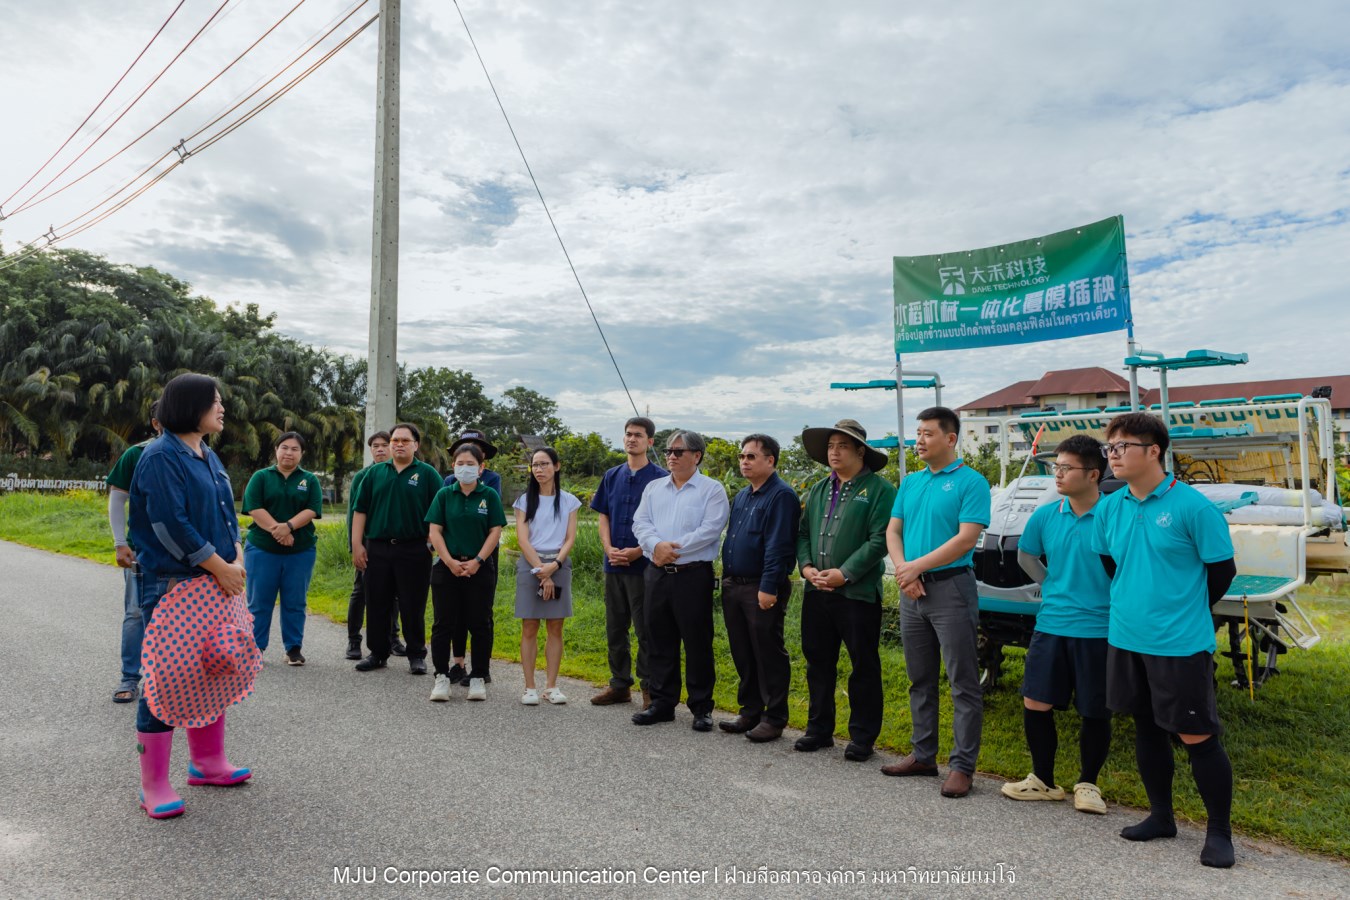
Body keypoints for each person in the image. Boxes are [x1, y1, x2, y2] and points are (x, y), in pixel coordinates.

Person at [1092, 412, 1237, 868]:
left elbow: (1222, 572)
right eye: (1109, 448)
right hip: (1126, 637)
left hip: (1178, 642)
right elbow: (1109, 564)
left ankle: (1219, 832)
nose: (1113, 455)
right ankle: (1161, 816)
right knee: (1145, 726)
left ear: (1154, 450)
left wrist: (1183, 609)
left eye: (1122, 447)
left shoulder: (1193, 507)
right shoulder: (1109, 506)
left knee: (1197, 736)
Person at [126, 373, 251, 819]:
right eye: (214, 401)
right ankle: (153, 784)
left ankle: (207, 763)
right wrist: (219, 566)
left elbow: (227, 515)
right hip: (173, 581)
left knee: (214, 668)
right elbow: (169, 524)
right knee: (166, 678)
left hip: (216, 582)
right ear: (189, 405)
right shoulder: (160, 456)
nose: (222, 408)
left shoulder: (209, 456)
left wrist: (235, 556)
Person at [883, 406, 990, 797]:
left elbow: (966, 539)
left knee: (962, 681)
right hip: (911, 590)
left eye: (928, 433)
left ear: (950, 438)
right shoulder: (910, 482)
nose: (919, 440)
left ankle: (962, 766)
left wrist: (915, 569)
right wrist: (903, 570)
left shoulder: (971, 482)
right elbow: (894, 531)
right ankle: (923, 755)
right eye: (918, 433)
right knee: (920, 678)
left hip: (950, 588)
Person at [1003, 434, 1113, 814]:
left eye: (1066, 468)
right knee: (1036, 701)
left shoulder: (1115, 514)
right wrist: (1049, 582)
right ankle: (1043, 780)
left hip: (1100, 628)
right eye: (1056, 467)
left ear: (1093, 474)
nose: (1058, 474)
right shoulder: (1048, 514)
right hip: (1052, 624)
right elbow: (1026, 554)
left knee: (1094, 709)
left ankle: (1088, 784)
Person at [794, 419, 896, 762]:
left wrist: (845, 573)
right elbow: (804, 533)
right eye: (830, 446)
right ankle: (819, 729)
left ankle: (863, 737)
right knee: (818, 662)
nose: (833, 452)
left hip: (857, 595)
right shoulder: (819, 489)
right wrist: (807, 568)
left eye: (842, 446)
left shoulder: (880, 490)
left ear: (860, 451)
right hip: (817, 592)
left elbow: (880, 539)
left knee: (863, 664)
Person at [631, 430, 730, 731]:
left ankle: (701, 707)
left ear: (696, 456)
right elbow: (641, 522)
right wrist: (655, 546)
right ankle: (662, 703)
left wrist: (669, 549)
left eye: (679, 451)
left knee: (697, 641)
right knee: (658, 638)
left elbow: (710, 530)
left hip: (692, 575)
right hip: (656, 574)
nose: (671, 456)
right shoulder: (654, 488)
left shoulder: (712, 490)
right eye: (669, 451)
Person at [718, 434, 800, 743]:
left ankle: (774, 716)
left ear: (770, 461)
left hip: (761, 588)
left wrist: (768, 587)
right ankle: (750, 710)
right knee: (743, 650)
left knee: (768, 652)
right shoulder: (742, 495)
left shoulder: (781, 496)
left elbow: (779, 547)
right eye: (742, 456)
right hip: (734, 585)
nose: (744, 461)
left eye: (751, 456)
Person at [350, 422, 441, 675]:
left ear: (416, 445)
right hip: (377, 548)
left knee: (413, 604)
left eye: (405, 440)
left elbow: (439, 513)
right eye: (395, 441)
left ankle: (416, 654)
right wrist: (357, 545)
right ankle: (378, 653)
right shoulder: (374, 473)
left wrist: (433, 542)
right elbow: (360, 511)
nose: (399, 444)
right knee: (377, 601)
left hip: (414, 549)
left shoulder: (427, 474)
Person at [589, 416, 667, 707]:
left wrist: (638, 550)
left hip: (644, 565)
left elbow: (662, 522)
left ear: (650, 441)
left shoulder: (660, 478)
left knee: (645, 628)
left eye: (638, 435)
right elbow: (603, 515)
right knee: (615, 627)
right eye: (628, 434)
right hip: (613, 564)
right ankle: (619, 685)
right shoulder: (612, 475)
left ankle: (649, 687)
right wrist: (608, 547)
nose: (631, 439)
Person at [426, 442, 506, 702]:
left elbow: (495, 530)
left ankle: (479, 677)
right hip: (447, 568)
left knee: (479, 624)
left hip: (479, 569)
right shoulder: (444, 494)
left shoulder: (489, 496)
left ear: (481, 468)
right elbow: (434, 531)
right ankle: (441, 677)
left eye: (471, 464)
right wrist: (448, 560)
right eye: (460, 464)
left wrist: (478, 561)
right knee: (443, 624)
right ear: (453, 467)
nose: (465, 468)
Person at [243, 431, 323, 666]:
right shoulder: (261, 477)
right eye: (285, 447)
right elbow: (254, 508)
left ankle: (293, 648)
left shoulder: (309, 480)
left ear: (302, 453)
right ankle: (255, 648)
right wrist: (278, 533)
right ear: (276, 450)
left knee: (295, 601)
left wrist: (288, 527)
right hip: (262, 549)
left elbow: (312, 510)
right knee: (259, 601)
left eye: (295, 449)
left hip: (300, 551)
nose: (289, 452)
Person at [513, 447, 581, 705]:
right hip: (531, 564)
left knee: (555, 625)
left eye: (544, 464)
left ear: (557, 466)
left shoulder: (569, 501)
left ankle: (551, 686)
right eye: (535, 465)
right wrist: (542, 572)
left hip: (559, 564)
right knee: (529, 625)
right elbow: (522, 539)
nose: (539, 469)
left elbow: (569, 538)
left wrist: (555, 565)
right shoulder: (523, 501)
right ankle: (529, 687)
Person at [106, 400, 160, 703]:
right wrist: (119, 542)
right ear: (155, 423)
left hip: (188, 556)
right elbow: (117, 499)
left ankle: (166, 679)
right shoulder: (136, 454)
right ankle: (130, 676)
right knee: (137, 612)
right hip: (142, 551)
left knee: (180, 615)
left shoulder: (201, 454)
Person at [440, 428, 502, 686]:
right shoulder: (447, 483)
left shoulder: (492, 480)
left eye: (474, 448)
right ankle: (458, 664)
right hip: (453, 555)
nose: (465, 464)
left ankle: (481, 668)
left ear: (482, 456)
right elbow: (439, 522)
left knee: (480, 611)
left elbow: (493, 519)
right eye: (461, 452)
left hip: (483, 552)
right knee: (454, 613)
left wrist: (477, 560)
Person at [345, 431, 402, 660]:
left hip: (392, 544)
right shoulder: (363, 476)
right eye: (375, 446)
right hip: (367, 542)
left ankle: (393, 637)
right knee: (360, 591)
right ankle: (354, 640)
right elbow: (354, 512)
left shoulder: (397, 473)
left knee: (393, 593)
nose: (380, 449)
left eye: (384, 445)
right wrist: (355, 545)